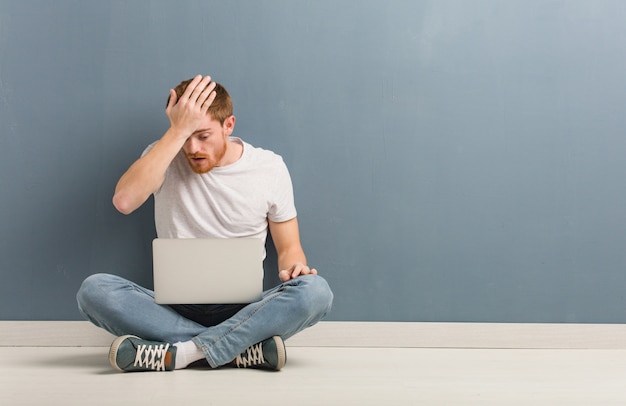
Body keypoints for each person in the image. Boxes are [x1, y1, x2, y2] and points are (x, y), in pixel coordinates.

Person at [76, 74, 333, 372]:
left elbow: (289, 248)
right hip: (172, 308)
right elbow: (124, 201)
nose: (192, 148)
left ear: (228, 125)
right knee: (94, 291)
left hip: (246, 310)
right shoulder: (162, 156)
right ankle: (238, 351)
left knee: (316, 291)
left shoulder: (268, 167)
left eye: (203, 135)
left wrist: (294, 270)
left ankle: (182, 353)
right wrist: (176, 131)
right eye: (185, 136)